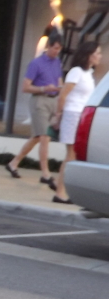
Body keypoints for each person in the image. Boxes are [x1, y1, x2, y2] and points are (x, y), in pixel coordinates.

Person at [6, 33, 64, 185]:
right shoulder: (36, 63)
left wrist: (60, 95)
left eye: (59, 49)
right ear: (49, 46)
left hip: (53, 100)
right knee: (44, 137)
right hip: (40, 101)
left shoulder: (57, 62)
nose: (57, 51)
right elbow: (25, 87)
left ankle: (14, 163)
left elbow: (59, 80)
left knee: (38, 137)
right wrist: (44, 88)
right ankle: (45, 174)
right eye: (55, 48)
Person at [53, 40, 102, 204]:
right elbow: (63, 95)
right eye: (97, 53)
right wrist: (58, 115)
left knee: (75, 156)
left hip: (81, 116)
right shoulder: (76, 72)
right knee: (71, 155)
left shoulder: (89, 73)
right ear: (88, 55)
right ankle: (60, 193)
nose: (100, 56)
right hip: (72, 114)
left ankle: (64, 191)